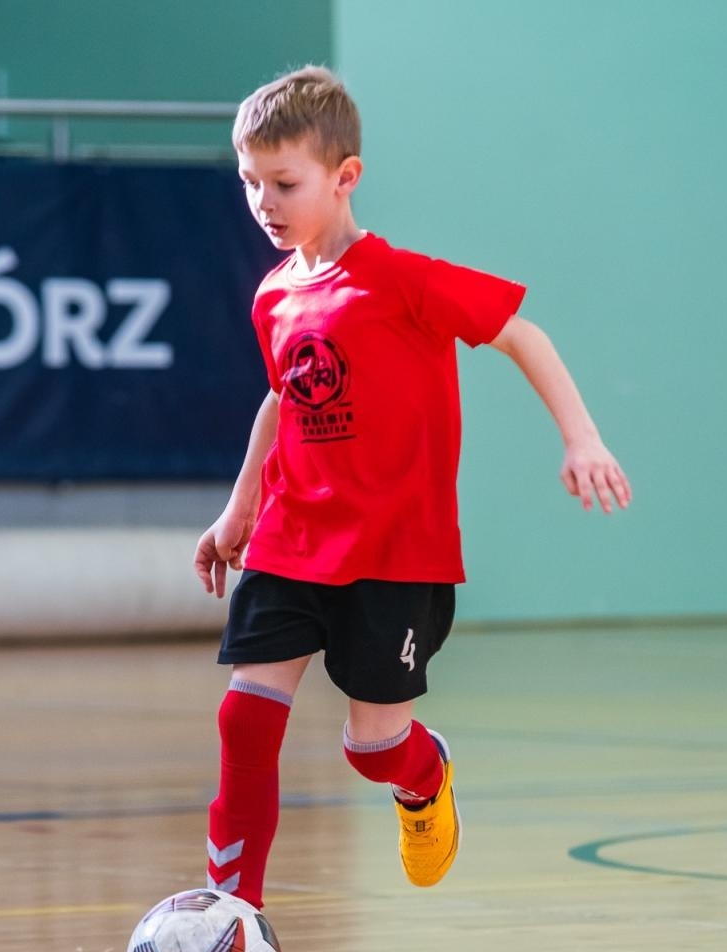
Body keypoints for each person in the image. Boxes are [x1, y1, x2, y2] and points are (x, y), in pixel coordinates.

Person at [193, 66, 632, 908]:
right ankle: (231, 914)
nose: (264, 202)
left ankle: (423, 776)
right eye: (250, 183)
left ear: (344, 176)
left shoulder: (402, 280)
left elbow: (521, 334)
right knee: (245, 719)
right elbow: (283, 399)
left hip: (395, 550)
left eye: (284, 183)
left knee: (371, 746)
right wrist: (240, 507)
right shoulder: (274, 295)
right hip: (293, 538)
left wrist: (582, 438)